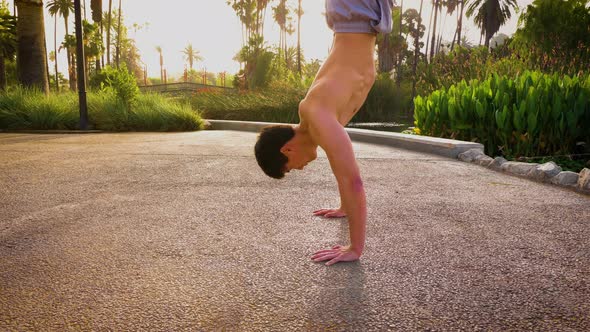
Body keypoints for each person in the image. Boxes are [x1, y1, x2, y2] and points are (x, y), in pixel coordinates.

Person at [254, 0, 393, 266]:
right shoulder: (315, 119)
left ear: (287, 150)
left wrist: (355, 248)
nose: (300, 169)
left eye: (290, 168)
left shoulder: (318, 117)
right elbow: (340, 170)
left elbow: (353, 182)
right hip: (355, 16)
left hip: (355, 10)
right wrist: (344, 208)